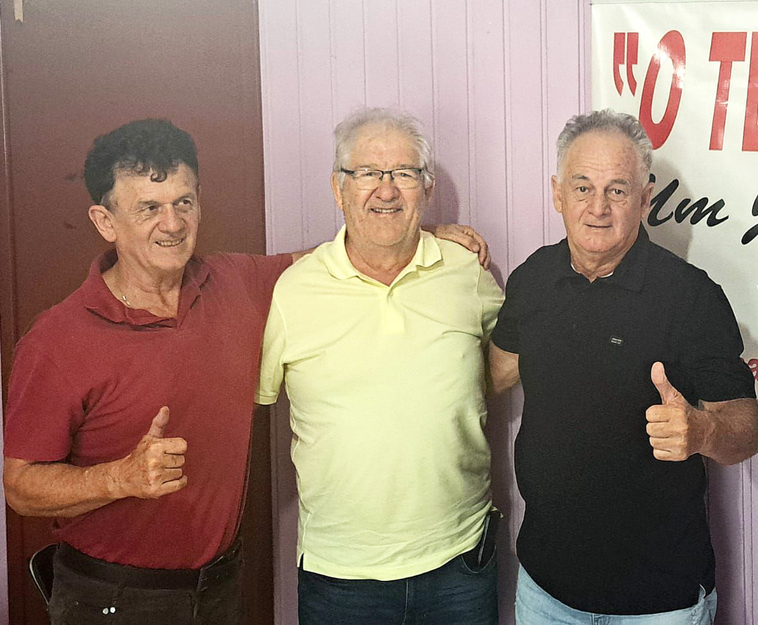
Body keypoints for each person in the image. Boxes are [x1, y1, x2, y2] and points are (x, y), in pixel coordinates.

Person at [2, 117, 489, 625]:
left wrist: (420, 228)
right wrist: (118, 478)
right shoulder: (57, 340)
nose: (171, 224)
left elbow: (350, 255)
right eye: (149, 208)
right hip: (111, 597)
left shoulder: (240, 284)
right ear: (105, 221)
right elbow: (20, 486)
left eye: (183, 203)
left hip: (220, 588)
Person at [488, 109, 758, 624]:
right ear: (557, 193)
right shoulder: (531, 281)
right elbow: (494, 373)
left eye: (617, 190)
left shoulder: (691, 297)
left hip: (659, 602)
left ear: (645, 198)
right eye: (582, 187)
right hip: (545, 590)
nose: (597, 207)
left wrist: (703, 430)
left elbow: (747, 429)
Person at [257, 108, 504, 625]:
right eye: (367, 173)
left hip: (459, 560)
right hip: (340, 575)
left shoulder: (467, 272)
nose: (386, 190)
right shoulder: (293, 292)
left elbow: (506, 365)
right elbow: (248, 415)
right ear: (338, 187)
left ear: (426, 187)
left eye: (405, 174)